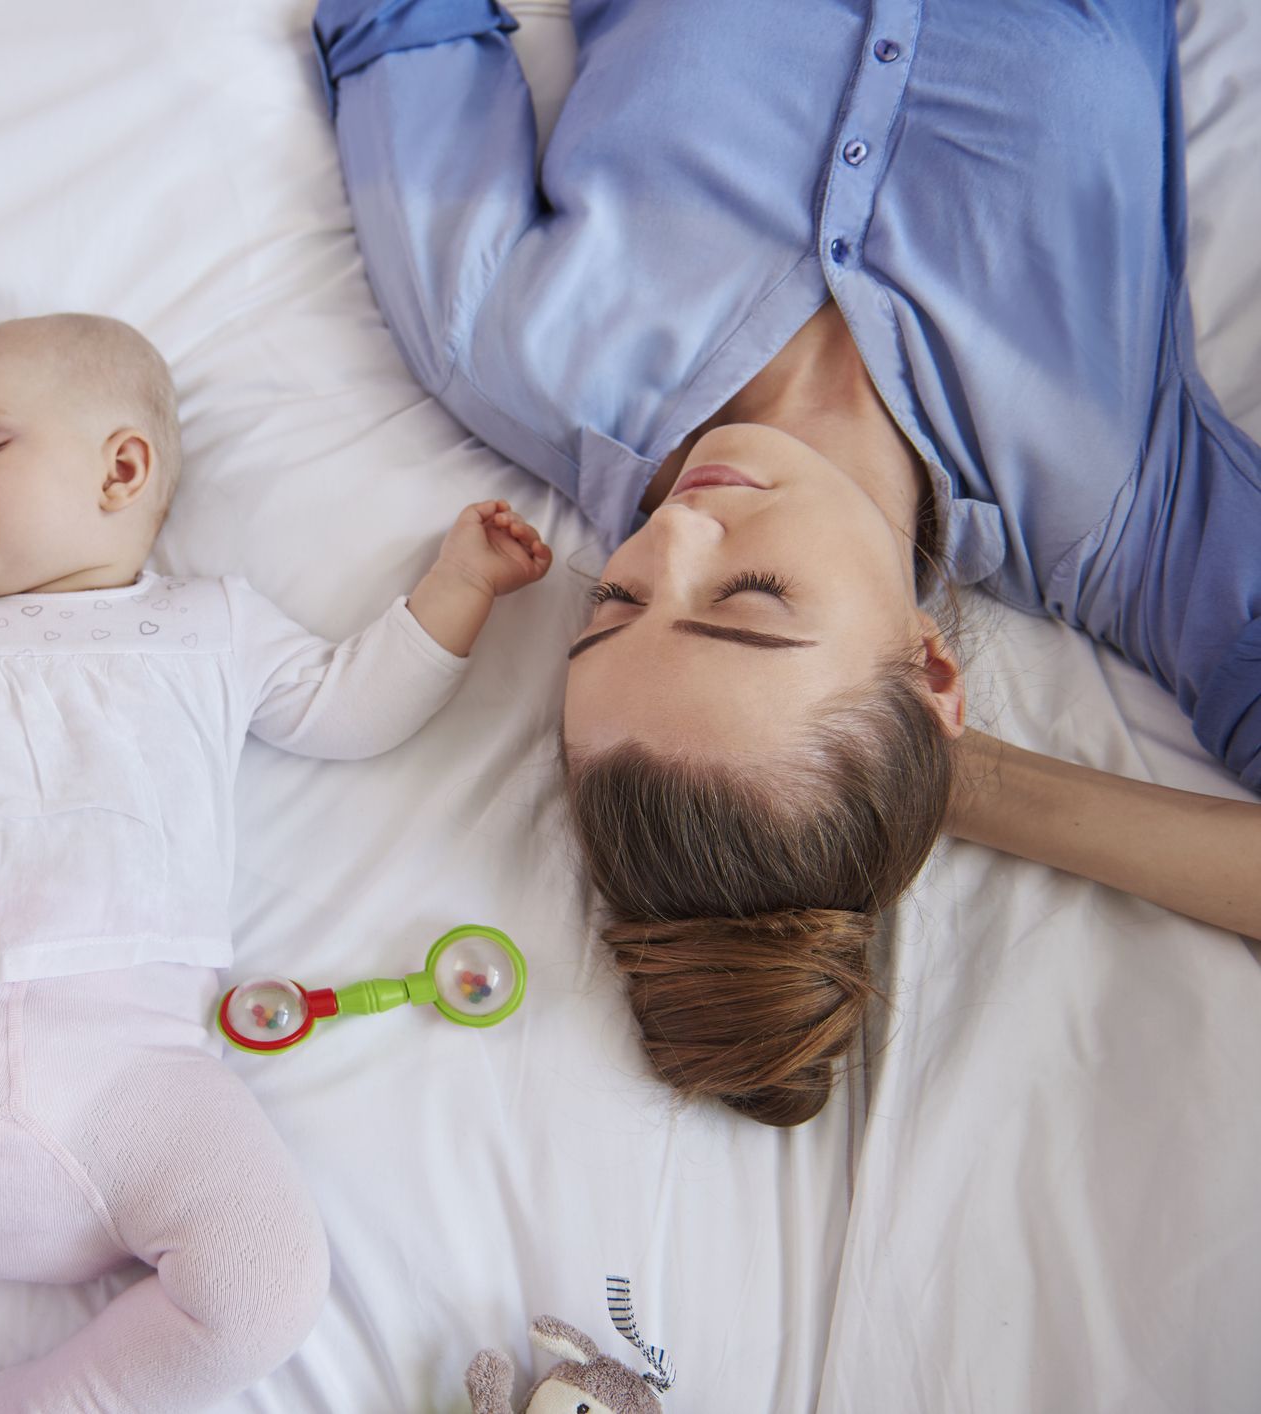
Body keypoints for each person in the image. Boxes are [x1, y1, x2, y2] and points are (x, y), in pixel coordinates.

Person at [312, 0, 1261, 1124]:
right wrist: (930, 787)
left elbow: (395, 26)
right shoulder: (1125, 511)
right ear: (930, 670)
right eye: (748, 601)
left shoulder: (506, 346)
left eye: (612, 598)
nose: (671, 536)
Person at [0, 313, 552, 1411]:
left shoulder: (210, 625)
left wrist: (455, 587)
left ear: (120, 468)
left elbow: (346, 706)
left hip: (136, 1069)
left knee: (267, 1286)